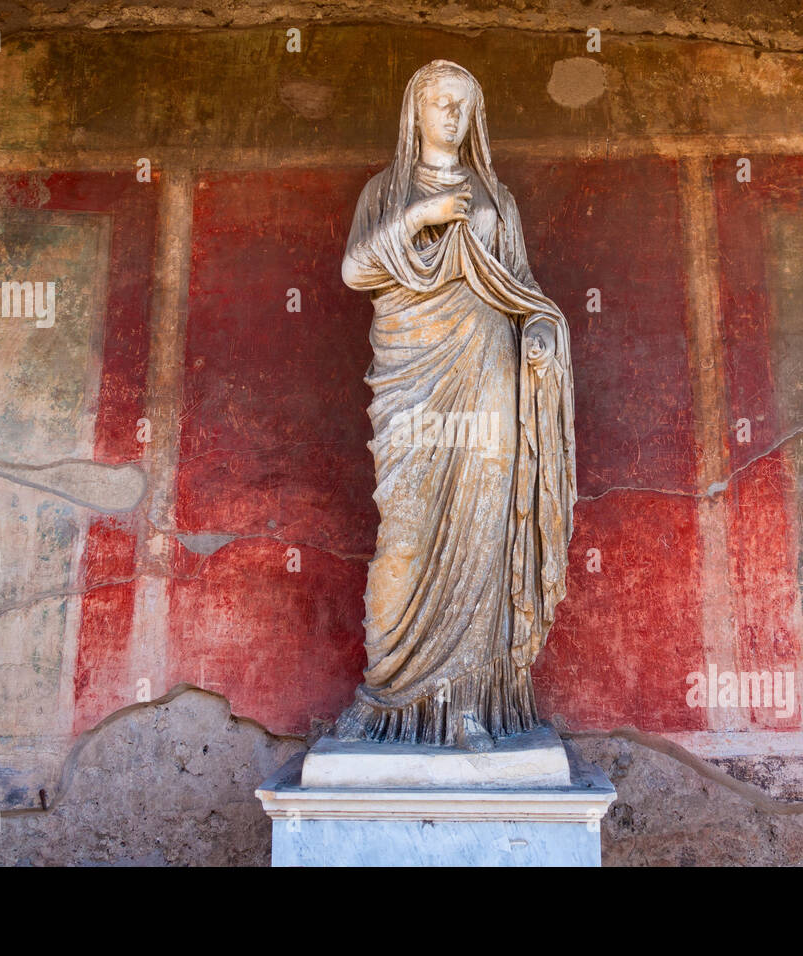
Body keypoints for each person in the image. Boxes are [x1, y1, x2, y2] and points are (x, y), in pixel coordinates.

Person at [335, 60, 576, 751]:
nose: (450, 117)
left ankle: (465, 704)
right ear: (415, 111)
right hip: (412, 375)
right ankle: (386, 696)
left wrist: (537, 335)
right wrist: (421, 216)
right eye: (439, 104)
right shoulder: (385, 191)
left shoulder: (495, 195)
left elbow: (524, 289)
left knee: (481, 530)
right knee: (405, 537)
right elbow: (354, 271)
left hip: (487, 370)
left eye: (462, 107)